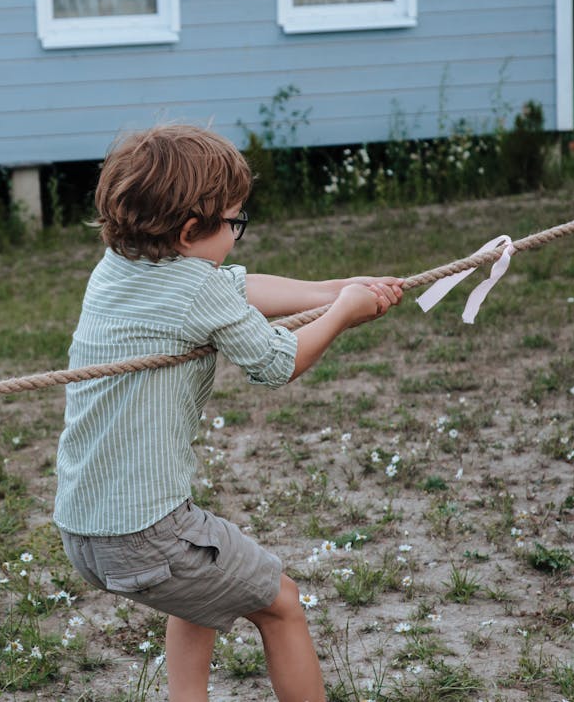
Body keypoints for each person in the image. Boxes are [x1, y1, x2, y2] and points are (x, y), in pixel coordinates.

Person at [54, 124, 404, 702]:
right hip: (148, 534)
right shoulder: (195, 287)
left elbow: (236, 288)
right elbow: (277, 363)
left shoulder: (117, 268)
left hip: (84, 528)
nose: (238, 236)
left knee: (198, 598)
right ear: (192, 231)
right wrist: (342, 315)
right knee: (282, 603)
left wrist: (338, 289)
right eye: (236, 222)